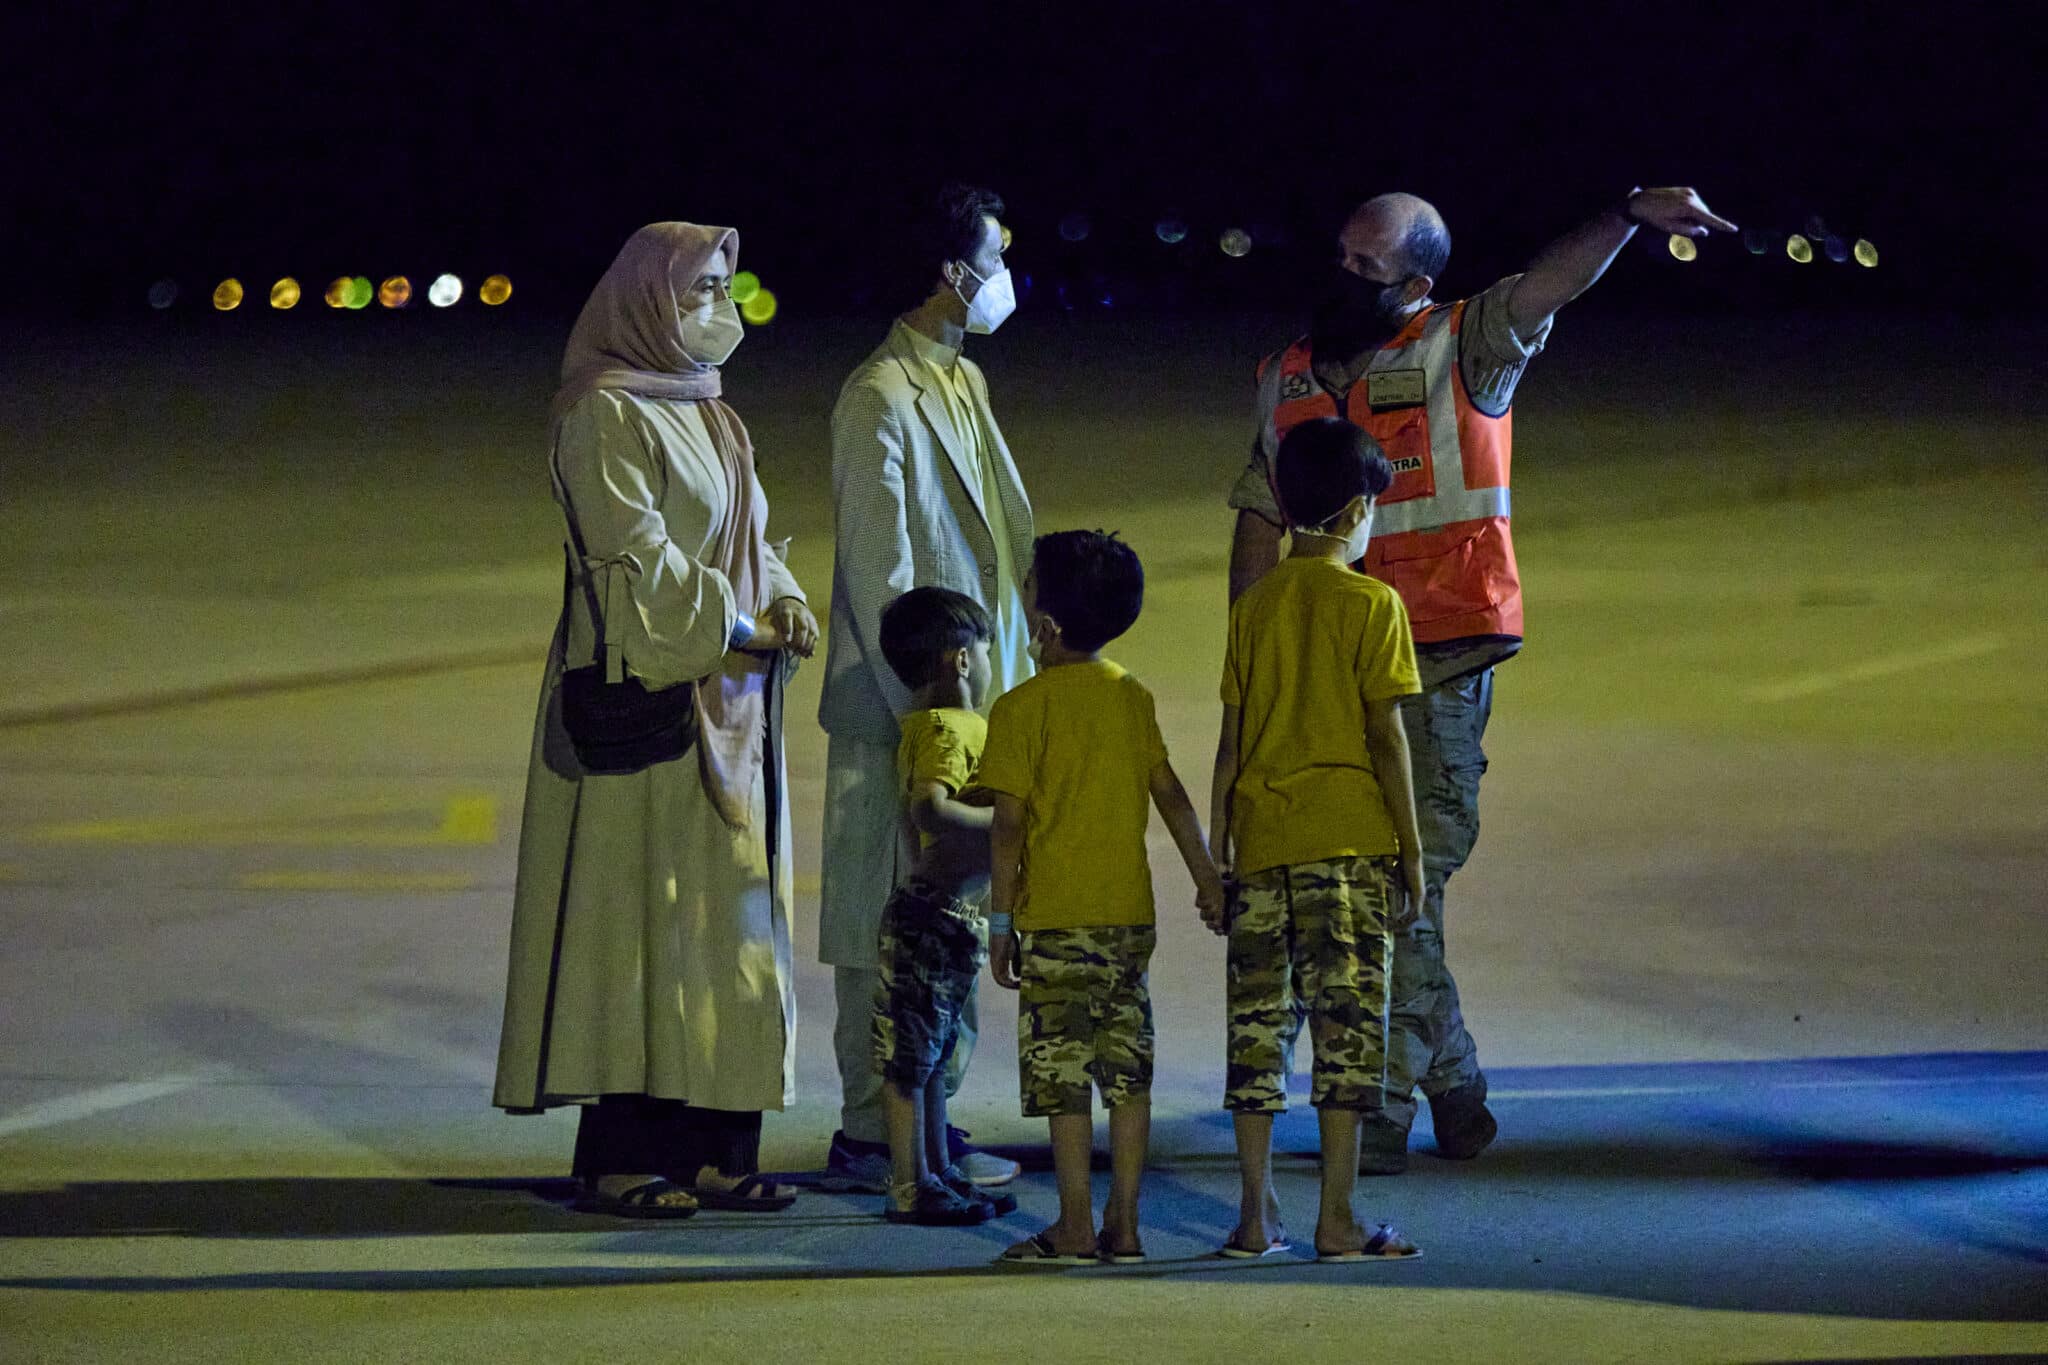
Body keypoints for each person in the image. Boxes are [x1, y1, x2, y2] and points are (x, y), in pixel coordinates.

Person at [1225, 186, 1737, 1172]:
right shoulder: (1283, 376)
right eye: (1339, 256)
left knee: (1396, 887)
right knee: (1374, 888)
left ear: (1416, 283)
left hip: (1437, 665)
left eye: (1365, 269)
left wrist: (1625, 214)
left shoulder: (1463, 346)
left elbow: (1547, 287)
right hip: (1328, 672)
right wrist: (1250, 661)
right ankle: (1452, 1086)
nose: (1341, 277)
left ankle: (1376, 1109)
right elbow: (1256, 517)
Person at [493, 222, 819, 1217]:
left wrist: (787, 599)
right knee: (640, 930)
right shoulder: (602, 415)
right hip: (652, 702)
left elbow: (749, 537)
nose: (716, 307)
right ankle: (624, 1155)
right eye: (697, 290)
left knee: (732, 930)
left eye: (725, 286)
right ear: (643, 300)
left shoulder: (711, 410)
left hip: (729, 703)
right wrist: (739, 627)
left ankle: (718, 1147)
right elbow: (631, 557)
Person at [818, 183, 1034, 1192]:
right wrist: (929, 727)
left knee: (948, 922)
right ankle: (872, 1132)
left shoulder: (961, 379)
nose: (1005, 274)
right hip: (903, 712)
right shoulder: (878, 396)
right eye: (996, 256)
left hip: (965, 705)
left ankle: (930, 1122)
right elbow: (882, 575)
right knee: (883, 919)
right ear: (954, 274)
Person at [1208, 417, 1424, 1262]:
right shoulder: (1374, 604)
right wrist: (1407, 849)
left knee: (1258, 1032)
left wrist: (1223, 848)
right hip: (1347, 846)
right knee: (1346, 1031)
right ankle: (1338, 1215)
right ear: (1358, 509)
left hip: (1262, 843)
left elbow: (1231, 742)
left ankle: (1254, 1216)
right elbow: (1387, 737)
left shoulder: (1255, 607)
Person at [978, 531, 1226, 1264]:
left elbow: (1008, 826)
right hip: (1126, 920)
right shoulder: (1131, 696)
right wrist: (1207, 877)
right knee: (1127, 1074)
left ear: (1046, 627)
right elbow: (1173, 798)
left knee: (1063, 1080)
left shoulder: (1020, 709)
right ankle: (1127, 1225)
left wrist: (999, 921)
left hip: (1053, 921)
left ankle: (1076, 1226)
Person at [869, 587, 1021, 1226]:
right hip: (935, 914)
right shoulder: (946, 729)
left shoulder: (931, 727)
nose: (990, 663)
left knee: (932, 1057)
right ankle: (910, 1183)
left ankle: (937, 1173)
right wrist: (1003, 821)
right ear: (960, 660)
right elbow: (928, 806)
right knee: (912, 1060)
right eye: (985, 651)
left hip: (946, 913)